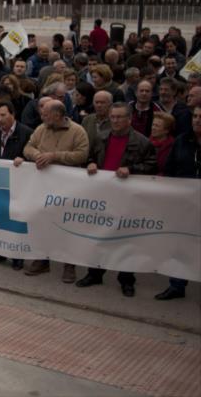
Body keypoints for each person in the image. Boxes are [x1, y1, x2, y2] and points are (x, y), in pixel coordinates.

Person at [80, 102, 157, 297]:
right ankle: (95, 273)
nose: (114, 120)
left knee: (125, 241)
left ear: (129, 119)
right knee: (99, 236)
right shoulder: (101, 137)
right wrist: (90, 164)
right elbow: (90, 158)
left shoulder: (142, 142)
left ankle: (126, 280)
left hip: (126, 200)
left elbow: (151, 166)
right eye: (112, 117)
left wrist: (132, 170)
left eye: (119, 117)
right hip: (103, 197)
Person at [22, 100, 90, 282]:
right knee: (43, 221)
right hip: (43, 185)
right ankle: (43, 259)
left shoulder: (77, 131)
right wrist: (37, 155)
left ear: (58, 115)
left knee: (67, 225)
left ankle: (69, 264)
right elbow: (28, 147)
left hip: (68, 187)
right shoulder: (41, 129)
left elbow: (82, 154)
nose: (42, 117)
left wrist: (54, 156)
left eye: (45, 114)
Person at [155, 106, 201, 300]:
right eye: (195, 116)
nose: (197, 120)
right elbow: (170, 168)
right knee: (180, 243)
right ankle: (177, 285)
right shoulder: (182, 140)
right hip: (184, 202)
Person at [0, 101, 33, 269]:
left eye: (3, 115)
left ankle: (17, 255)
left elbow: (33, 155)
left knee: (16, 218)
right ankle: (0, 251)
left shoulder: (26, 133)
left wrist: (25, 160)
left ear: (13, 114)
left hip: (20, 186)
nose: (0, 119)